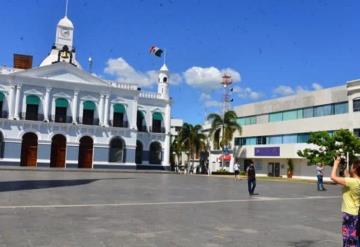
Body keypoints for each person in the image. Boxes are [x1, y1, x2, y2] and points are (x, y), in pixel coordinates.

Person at [331, 157, 360, 247]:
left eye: (351, 166)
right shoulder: (356, 181)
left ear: (354, 169)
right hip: (356, 213)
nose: (350, 167)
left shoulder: (353, 182)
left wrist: (336, 163)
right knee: (355, 237)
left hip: (350, 215)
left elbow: (333, 177)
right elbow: (347, 180)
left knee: (349, 239)